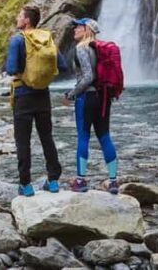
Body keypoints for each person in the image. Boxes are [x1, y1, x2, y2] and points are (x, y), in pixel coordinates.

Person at [5, 5, 67, 196]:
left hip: (23, 95)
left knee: (23, 142)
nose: (17, 19)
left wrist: (24, 74)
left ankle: (26, 184)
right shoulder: (46, 39)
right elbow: (63, 66)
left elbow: (10, 68)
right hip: (43, 95)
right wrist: (42, 76)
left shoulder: (18, 39)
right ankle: (53, 181)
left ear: (26, 21)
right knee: (47, 138)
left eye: (19, 16)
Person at [63, 18, 119, 194]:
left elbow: (88, 77)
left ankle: (80, 181)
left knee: (83, 137)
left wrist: (71, 94)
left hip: (87, 98)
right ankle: (113, 182)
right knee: (104, 137)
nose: (75, 30)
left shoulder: (82, 48)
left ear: (87, 30)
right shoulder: (98, 49)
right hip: (102, 97)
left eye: (78, 27)